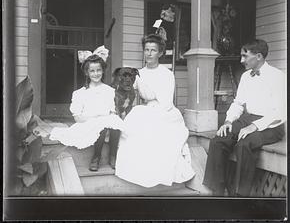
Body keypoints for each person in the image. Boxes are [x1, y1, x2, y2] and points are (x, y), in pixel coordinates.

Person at [203, 39, 286, 196]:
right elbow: (238, 104)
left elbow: (280, 112)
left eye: (245, 56)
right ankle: (218, 191)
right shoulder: (246, 76)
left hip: (271, 124)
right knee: (219, 139)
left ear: (259, 56)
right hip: (248, 118)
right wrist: (228, 121)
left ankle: (241, 196)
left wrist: (254, 126)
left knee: (244, 144)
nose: (241, 60)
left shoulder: (278, 76)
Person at [115, 34, 195, 187]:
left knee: (148, 122)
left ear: (160, 53)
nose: (149, 54)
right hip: (147, 109)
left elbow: (166, 102)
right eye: (146, 50)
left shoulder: (166, 74)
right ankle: (136, 170)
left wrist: (149, 102)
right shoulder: (138, 73)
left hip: (166, 111)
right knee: (134, 118)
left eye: (153, 50)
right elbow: (126, 90)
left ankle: (156, 172)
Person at [49, 46, 123, 171]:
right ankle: (96, 156)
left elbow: (111, 111)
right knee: (102, 124)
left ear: (103, 71)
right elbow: (78, 117)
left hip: (106, 123)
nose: (96, 74)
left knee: (114, 121)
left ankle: (112, 156)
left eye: (98, 70)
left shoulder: (109, 91)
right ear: (87, 73)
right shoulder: (80, 93)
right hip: (87, 123)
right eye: (92, 71)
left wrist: (107, 118)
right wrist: (95, 119)